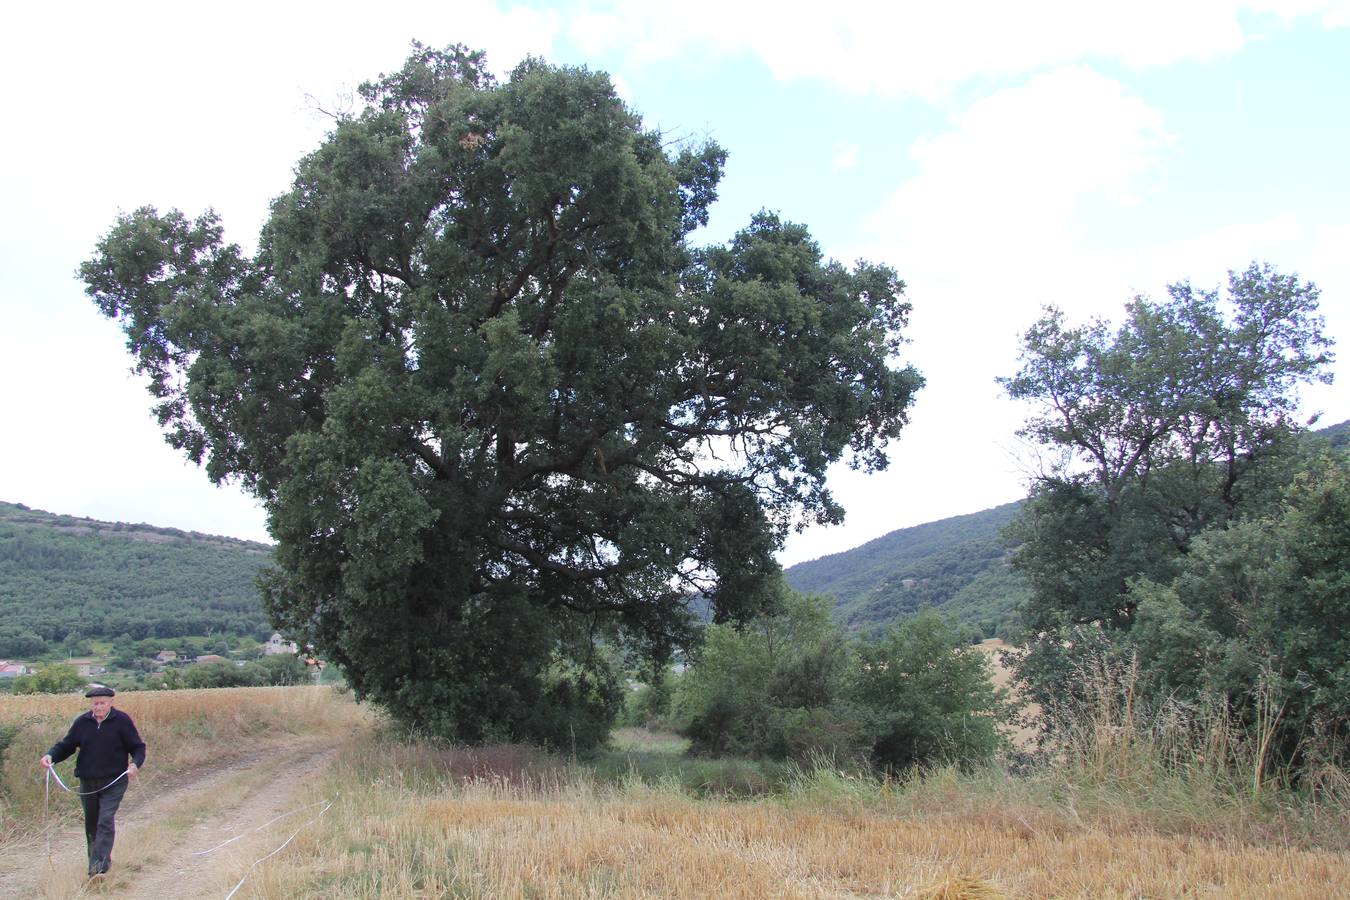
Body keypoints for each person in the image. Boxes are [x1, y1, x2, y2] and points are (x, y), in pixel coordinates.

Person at [40, 685, 146, 878]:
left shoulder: (122, 721)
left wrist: (135, 764)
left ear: (111, 703)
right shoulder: (82, 722)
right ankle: (95, 863)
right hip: (88, 781)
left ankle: (98, 869)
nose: (98, 707)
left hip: (115, 780)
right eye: (95, 703)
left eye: (102, 703)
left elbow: (138, 747)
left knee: (105, 820)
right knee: (92, 823)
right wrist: (50, 756)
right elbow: (67, 746)